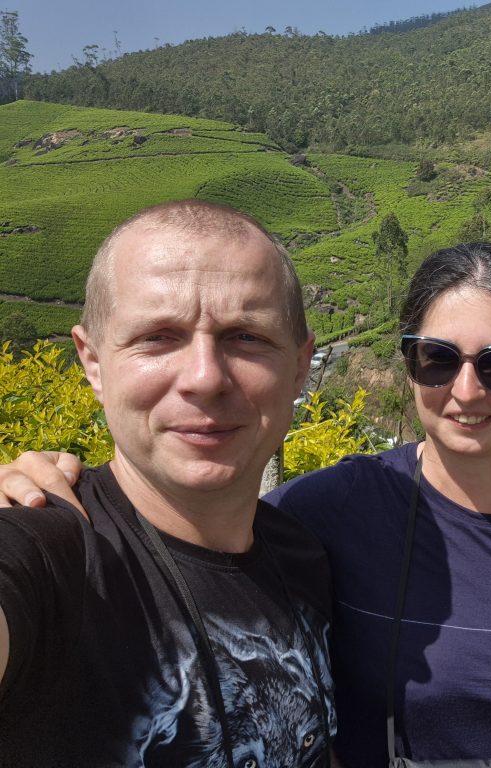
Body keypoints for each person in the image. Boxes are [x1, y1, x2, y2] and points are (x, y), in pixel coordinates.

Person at [1, 242, 491, 767]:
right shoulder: (331, 507)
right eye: (438, 359)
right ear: (409, 367)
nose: (467, 390)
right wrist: (35, 488)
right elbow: (198, 536)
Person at [0, 200, 336, 767]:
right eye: (158, 337)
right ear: (93, 362)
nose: (205, 378)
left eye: (246, 336)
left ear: (300, 366)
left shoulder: (305, 558)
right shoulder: (51, 553)